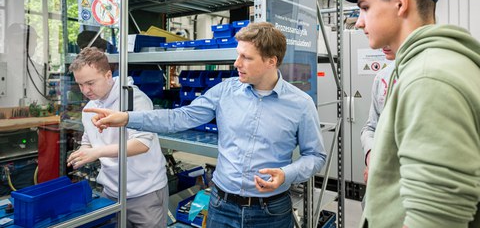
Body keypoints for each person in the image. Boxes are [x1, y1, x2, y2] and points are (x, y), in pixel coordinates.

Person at [84, 22, 327, 228]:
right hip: (222, 207)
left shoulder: (300, 104)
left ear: (271, 61)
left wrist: (287, 174)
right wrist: (127, 118)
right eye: (237, 54)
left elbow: (315, 156)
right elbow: (179, 117)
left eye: (246, 57)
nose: (236, 63)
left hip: (271, 212)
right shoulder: (224, 92)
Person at [334, 0, 480, 228]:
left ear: (400, 3)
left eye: (365, 8)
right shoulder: (429, 66)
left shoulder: (428, 78)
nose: (358, 22)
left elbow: (436, 218)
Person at [67, 47, 169, 228]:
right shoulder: (89, 109)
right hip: (112, 192)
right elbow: (88, 142)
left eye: (90, 83)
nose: (85, 90)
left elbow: (141, 144)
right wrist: (83, 153)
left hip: (145, 192)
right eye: (80, 84)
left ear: (108, 75)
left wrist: (96, 153)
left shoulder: (134, 100)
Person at [360, 47, 395, 185]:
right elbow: (370, 128)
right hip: (381, 182)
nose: (360, 24)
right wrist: (372, 156)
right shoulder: (382, 78)